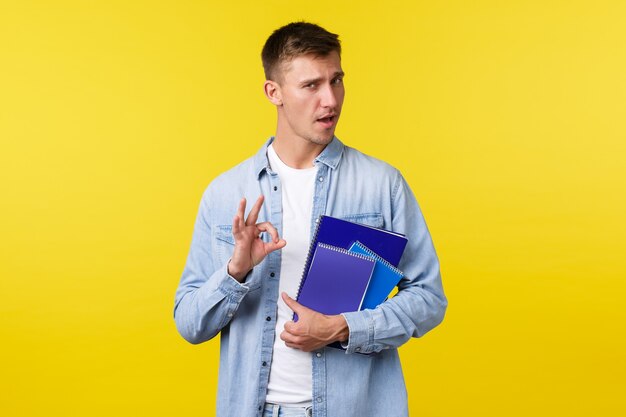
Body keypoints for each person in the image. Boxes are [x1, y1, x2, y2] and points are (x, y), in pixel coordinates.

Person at [174, 22, 447, 417]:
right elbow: (190, 324)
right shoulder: (226, 193)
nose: (330, 99)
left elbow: (429, 299)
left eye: (336, 81)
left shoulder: (381, 185)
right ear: (274, 92)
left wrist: (343, 328)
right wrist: (235, 271)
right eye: (311, 85)